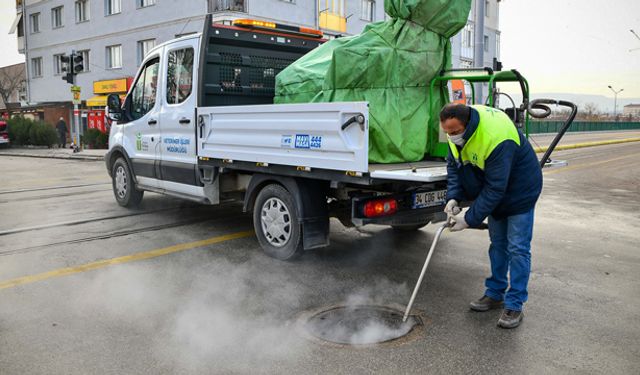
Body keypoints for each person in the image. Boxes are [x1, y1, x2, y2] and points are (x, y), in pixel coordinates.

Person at [440, 103, 543, 329]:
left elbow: (496, 188)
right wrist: (453, 197)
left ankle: (514, 304)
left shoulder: (497, 137)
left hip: (520, 192)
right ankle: (495, 293)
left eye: (455, 132)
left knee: (517, 248)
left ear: (468, 125)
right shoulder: (455, 131)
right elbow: (454, 167)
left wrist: (468, 219)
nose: (451, 136)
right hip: (495, 190)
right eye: (447, 132)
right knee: (497, 244)